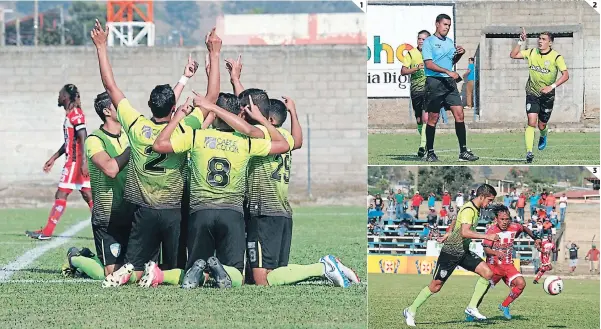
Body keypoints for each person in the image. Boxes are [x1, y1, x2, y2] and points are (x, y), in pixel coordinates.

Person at [90, 20, 214, 287]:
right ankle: (160, 274)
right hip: (173, 211)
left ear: (147, 106)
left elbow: (111, 86)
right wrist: (213, 56)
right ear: (174, 109)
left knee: (133, 265)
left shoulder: (136, 126)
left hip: (143, 211)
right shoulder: (182, 129)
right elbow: (211, 98)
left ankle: (131, 271)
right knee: (177, 269)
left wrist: (101, 47)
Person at [403, 184, 499, 326]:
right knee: (435, 286)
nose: (490, 203)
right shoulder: (469, 209)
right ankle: (410, 310)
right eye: (489, 200)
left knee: (487, 273)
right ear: (482, 196)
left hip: (463, 251)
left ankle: (472, 307)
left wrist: (448, 232)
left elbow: (456, 219)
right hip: (450, 252)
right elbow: (465, 232)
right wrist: (487, 236)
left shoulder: (473, 208)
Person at [26, 84, 93, 240]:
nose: (58, 97)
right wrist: (54, 157)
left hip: (75, 163)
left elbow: (83, 136)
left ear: (65, 97)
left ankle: (47, 232)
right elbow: (70, 141)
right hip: (76, 161)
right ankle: (106, 230)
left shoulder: (75, 114)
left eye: (60, 94)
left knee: (61, 193)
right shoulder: (71, 114)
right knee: (88, 195)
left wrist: (83, 162)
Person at [465, 204, 540, 321]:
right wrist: (496, 253)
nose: (505, 222)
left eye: (507, 219)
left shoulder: (515, 227)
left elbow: (524, 228)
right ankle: (471, 312)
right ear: (496, 219)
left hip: (508, 265)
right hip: (493, 267)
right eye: (502, 219)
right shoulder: (491, 230)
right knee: (482, 292)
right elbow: (486, 249)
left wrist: (536, 238)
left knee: (521, 284)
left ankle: (504, 305)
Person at [421, 13, 478, 162]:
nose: (447, 27)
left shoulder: (449, 41)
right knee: (433, 118)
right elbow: (429, 64)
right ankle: (430, 152)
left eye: (449, 25)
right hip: (434, 82)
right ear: (437, 24)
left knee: (459, 114)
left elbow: (451, 61)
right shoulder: (429, 42)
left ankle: (463, 151)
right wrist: (448, 72)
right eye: (445, 24)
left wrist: (460, 54)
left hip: (449, 83)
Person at [510, 28, 570, 163]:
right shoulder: (532, 52)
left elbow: (566, 75)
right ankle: (529, 152)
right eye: (539, 38)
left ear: (550, 43)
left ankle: (543, 135)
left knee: (541, 125)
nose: (540, 41)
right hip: (532, 92)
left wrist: (551, 87)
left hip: (547, 95)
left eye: (544, 39)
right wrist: (520, 41)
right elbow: (513, 55)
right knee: (531, 121)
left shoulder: (556, 57)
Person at [401, 30, 432, 157]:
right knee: (419, 120)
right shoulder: (411, 53)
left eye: (424, 39)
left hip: (429, 89)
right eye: (419, 39)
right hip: (416, 90)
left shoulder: (432, 54)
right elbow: (403, 71)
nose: (421, 41)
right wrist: (416, 68)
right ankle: (426, 142)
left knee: (425, 118)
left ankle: (422, 145)